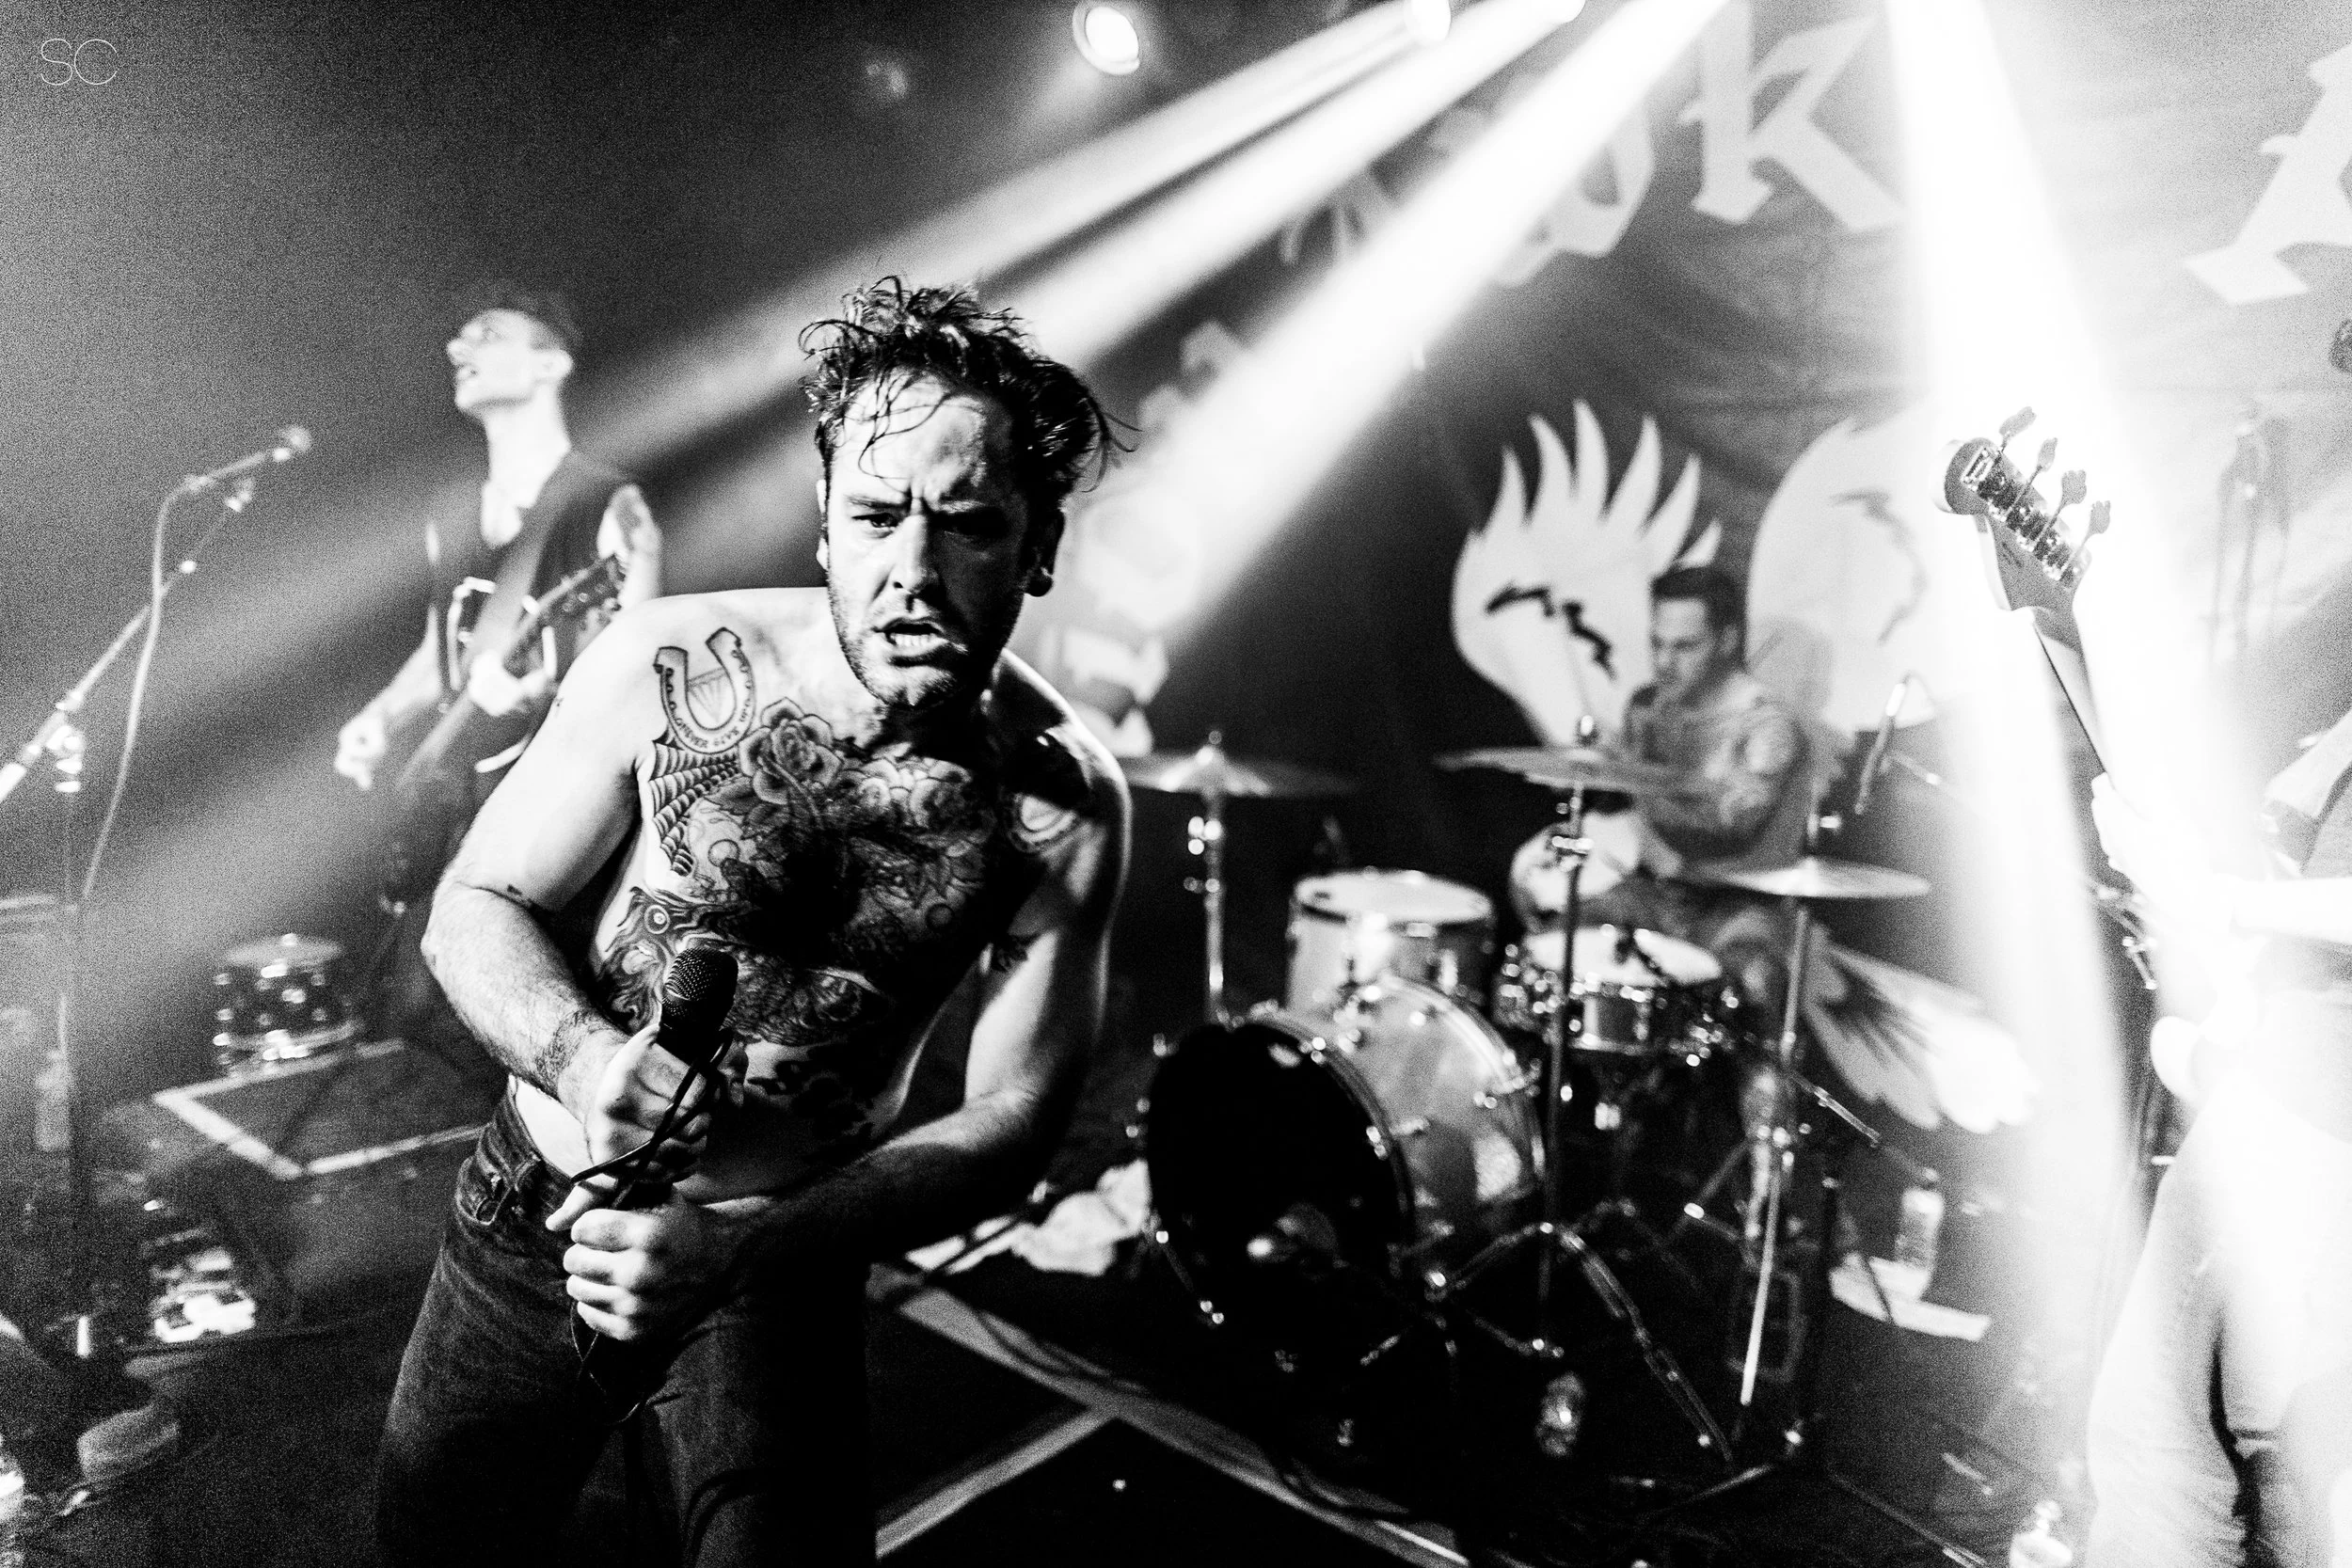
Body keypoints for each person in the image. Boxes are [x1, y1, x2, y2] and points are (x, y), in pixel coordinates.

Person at [373, 279, 1129, 1567]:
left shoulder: (1065, 805)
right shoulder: (664, 663)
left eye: (967, 524)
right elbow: (475, 903)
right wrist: (583, 1060)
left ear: (1038, 545)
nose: (912, 571)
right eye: (875, 516)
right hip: (534, 1219)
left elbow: (1017, 1113)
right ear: (825, 525)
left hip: (773, 1271)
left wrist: (738, 1248)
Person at [2086, 735, 2352, 1566]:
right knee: (2277, 1470)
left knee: (2162, 1456)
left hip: (2308, 1117)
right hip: (2292, 1096)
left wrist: (2219, 898)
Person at [334, 288, 663, 796]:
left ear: (550, 364)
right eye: (458, 339)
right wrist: (382, 715)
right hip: (463, 796)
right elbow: (442, 650)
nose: (456, 349)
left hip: (558, 796)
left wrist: (542, 696)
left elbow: (640, 669)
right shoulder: (451, 518)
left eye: (487, 334)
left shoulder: (613, 505)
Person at [1509, 563, 1810, 1013]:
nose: (1665, 662)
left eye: (1685, 646)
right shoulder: (1647, 707)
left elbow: (1726, 832)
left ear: (1727, 641)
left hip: (1735, 907)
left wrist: (1634, 776)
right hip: (1652, 892)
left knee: (1756, 982)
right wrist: (1603, 774)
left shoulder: (1769, 727)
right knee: (1556, 946)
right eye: (1657, 643)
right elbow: (1638, 809)